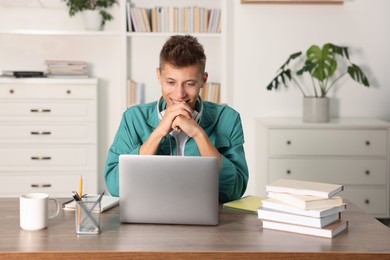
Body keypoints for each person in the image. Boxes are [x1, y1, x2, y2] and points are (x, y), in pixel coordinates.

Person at [104, 35, 248, 203]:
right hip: (149, 218)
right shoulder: (133, 118)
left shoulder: (228, 119)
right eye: (171, 82)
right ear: (159, 76)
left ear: (203, 80)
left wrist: (198, 135)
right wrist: (158, 133)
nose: (179, 94)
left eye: (189, 83)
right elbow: (115, 187)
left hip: (208, 222)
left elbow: (235, 190)